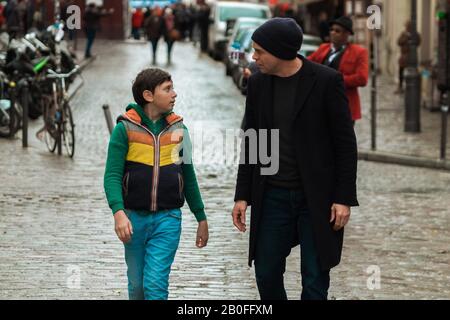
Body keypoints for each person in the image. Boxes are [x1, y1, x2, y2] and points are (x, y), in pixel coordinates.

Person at [232, 18, 358, 300]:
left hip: (317, 197)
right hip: (272, 195)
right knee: (265, 272)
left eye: (259, 51)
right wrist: (242, 195)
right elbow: (251, 141)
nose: (254, 57)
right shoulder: (259, 85)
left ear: (279, 51)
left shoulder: (326, 81)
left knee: (314, 278)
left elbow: (345, 144)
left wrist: (344, 198)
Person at [104, 68, 209, 300]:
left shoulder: (179, 130)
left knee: (155, 286)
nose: (174, 94)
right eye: (168, 89)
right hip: (133, 221)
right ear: (149, 95)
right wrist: (118, 213)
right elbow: (111, 175)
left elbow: (188, 175)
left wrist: (200, 217)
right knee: (137, 286)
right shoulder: (125, 129)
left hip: (168, 219)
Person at [308, 16, 368, 125]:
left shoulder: (359, 52)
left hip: (344, 104)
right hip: (321, 103)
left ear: (346, 34)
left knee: (341, 140)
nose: (333, 33)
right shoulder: (324, 48)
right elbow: (308, 64)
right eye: (331, 30)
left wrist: (336, 81)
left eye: (337, 31)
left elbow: (362, 78)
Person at [395, 20, 421, 94]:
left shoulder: (415, 34)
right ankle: (400, 86)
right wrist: (406, 37)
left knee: (411, 71)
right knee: (401, 71)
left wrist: (412, 38)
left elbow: (418, 42)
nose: (406, 28)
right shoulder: (403, 34)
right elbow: (399, 42)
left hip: (411, 56)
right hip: (403, 56)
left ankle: (411, 87)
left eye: (408, 26)